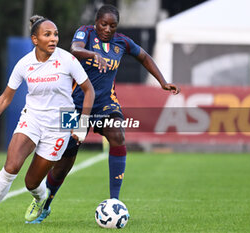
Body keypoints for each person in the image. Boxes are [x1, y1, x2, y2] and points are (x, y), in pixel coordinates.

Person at [30, 4, 181, 224]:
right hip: (75, 106)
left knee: (118, 135)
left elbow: (145, 57)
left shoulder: (122, 42)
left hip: (104, 104)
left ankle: (114, 202)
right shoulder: (86, 33)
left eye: (113, 25)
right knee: (64, 163)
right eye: (104, 24)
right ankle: (45, 204)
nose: (108, 29)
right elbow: (74, 48)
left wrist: (163, 82)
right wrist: (93, 54)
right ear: (96, 22)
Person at [0, 15, 95, 227]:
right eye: (47, 34)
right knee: (11, 166)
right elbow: (5, 97)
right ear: (34, 39)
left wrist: (82, 124)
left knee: (31, 182)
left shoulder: (67, 59)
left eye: (55, 34)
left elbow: (89, 90)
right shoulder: (24, 64)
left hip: (60, 124)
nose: (53, 39)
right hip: (32, 117)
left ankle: (40, 198)